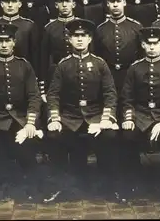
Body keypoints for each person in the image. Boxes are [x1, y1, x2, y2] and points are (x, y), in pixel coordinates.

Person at [45, 19, 119, 202]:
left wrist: (105, 119)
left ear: (89, 39)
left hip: (95, 116)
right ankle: (61, 187)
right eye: (75, 36)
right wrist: (54, 119)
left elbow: (110, 93)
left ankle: (108, 188)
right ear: (69, 40)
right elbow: (53, 95)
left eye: (83, 36)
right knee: (55, 137)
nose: (79, 40)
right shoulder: (62, 65)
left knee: (109, 137)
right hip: (69, 117)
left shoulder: (100, 64)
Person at [0, 23, 43, 203]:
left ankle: (29, 189)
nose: (4, 45)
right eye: (0, 41)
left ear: (14, 42)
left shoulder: (24, 66)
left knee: (27, 150)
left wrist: (30, 123)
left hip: (20, 120)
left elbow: (34, 97)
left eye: (8, 41)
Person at [119, 27, 160, 202]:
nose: (151, 47)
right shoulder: (135, 68)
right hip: (140, 116)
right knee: (127, 136)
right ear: (142, 45)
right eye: (148, 44)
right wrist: (129, 118)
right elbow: (127, 98)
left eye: (155, 43)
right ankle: (134, 186)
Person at [94, 0, 143, 97]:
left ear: (124, 3)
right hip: (108, 76)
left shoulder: (136, 27)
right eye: (112, 1)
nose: (115, 5)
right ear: (107, 4)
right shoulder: (100, 29)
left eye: (118, 1)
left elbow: (141, 54)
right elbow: (97, 56)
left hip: (130, 75)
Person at [0, 0, 40, 77]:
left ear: (19, 4)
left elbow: (34, 55)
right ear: (1, 4)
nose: (10, 5)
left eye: (14, 1)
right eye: (7, 2)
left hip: (24, 73)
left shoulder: (29, 25)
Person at [39, 0, 80, 102]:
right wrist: (43, 85)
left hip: (78, 72)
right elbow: (44, 58)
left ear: (73, 4)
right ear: (56, 5)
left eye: (68, 1)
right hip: (56, 74)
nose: (65, 5)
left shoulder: (81, 26)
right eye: (61, 2)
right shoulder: (49, 28)